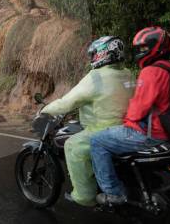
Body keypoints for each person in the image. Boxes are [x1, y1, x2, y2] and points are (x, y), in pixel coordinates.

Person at [41, 36, 133, 207]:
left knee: (73, 146)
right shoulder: (127, 73)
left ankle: (85, 196)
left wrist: (45, 110)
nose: (92, 58)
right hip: (128, 127)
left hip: (103, 128)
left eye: (94, 54)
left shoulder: (96, 77)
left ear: (103, 54)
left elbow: (68, 102)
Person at [90, 26, 170, 205]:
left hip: (154, 133)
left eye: (143, 48)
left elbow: (139, 106)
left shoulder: (151, 72)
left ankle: (114, 193)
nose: (140, 52)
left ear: (155, 48)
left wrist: (128, 122)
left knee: (97, 141)